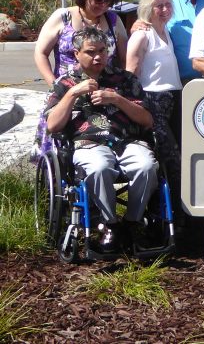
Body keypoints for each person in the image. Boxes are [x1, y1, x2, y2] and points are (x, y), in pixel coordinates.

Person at [45, 27, 157, 252]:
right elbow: (52, 125)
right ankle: (110, 225)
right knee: (99, 167)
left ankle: (132, 222)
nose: (98, 56)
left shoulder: (125, 80)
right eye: (90, 52)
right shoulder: (65, 83)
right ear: (76, 54)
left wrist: (117, 99)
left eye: (102, 51)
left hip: (127, 141)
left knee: (146, 166)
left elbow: (147, 121)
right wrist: (73, 93)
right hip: (88, 143)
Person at [32, 0, 128, 160]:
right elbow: (40, 53)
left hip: (103, 90)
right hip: (66, 88)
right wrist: (54, 85)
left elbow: (124, 58)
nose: (104, 5)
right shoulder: (64, 16)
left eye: (109, 1)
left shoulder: (113, 20)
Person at [126, 0, 183, 222]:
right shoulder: (142, 34)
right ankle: (164, 214)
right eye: (158, 5)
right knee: (168, 159)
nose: (164, 9)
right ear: (148, 8)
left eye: (167, 4)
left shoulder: (166, 31)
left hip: (174, 98)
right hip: (153, 101)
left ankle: (174, 212)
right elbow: (131, 74)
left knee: (177, 156)